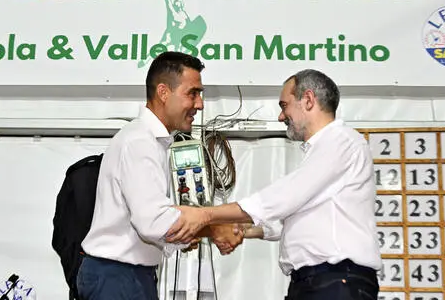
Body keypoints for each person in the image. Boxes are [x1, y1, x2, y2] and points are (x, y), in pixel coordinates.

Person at [165, 69, 382, 300]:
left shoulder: (342, 141)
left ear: (308, 100)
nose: (281, 116)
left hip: (336, 281)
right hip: (316, 281)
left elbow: (286, 197)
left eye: (284, 105)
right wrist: (242, 230)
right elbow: (296, 216)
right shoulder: (325, 151)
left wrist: (206, 215)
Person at [78, 51, 243, 300]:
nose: (199, 104)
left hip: (126, 276)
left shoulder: (152, 141)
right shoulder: (139, 141)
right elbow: (152, 222)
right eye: (193, 93)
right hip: (118, 278)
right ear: (164, 92)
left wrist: (196, 229)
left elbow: (152, 223)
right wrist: (213, 227)